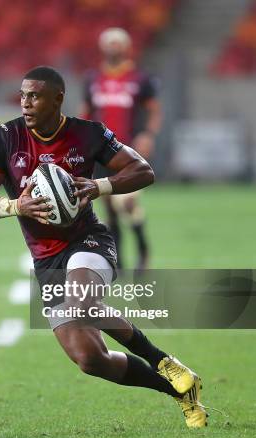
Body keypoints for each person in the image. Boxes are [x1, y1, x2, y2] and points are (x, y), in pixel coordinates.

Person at [0, 66, 207, 428]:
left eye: (34, 96)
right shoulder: (5, 137)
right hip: (46, 260)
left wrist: (101, 186)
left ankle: (163, 361)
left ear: (58, 98)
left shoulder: (88, 134)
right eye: (22, 95)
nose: (26, 103)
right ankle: (179, 392)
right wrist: (14, 205)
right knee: (90, 360)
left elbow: (143, 170)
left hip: (88, 241)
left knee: (83, 303)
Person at [80, 28, 162, 270]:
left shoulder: (140, 79)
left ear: (126, 47)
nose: (113, 47)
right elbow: (86, 112)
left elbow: (154, 110)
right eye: (109, 43)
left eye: (117, 43)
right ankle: (119, 262)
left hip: (128, 152)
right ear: (102, 47)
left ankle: (143, 249)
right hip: (100, 151)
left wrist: (148, 134)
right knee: (109, 209)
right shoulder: (93, 78)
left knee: (127, 204)